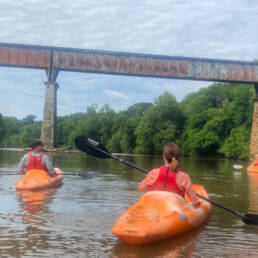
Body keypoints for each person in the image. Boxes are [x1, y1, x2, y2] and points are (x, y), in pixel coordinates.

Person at [138, 142, 200, 207]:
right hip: (175, 209)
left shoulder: (154, 173)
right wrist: (197, 204)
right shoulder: (183, 176)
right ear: (178, 158)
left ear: (163, 156)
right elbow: (193, 200)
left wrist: (151, 184)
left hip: (154, 208)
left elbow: (140, 188)